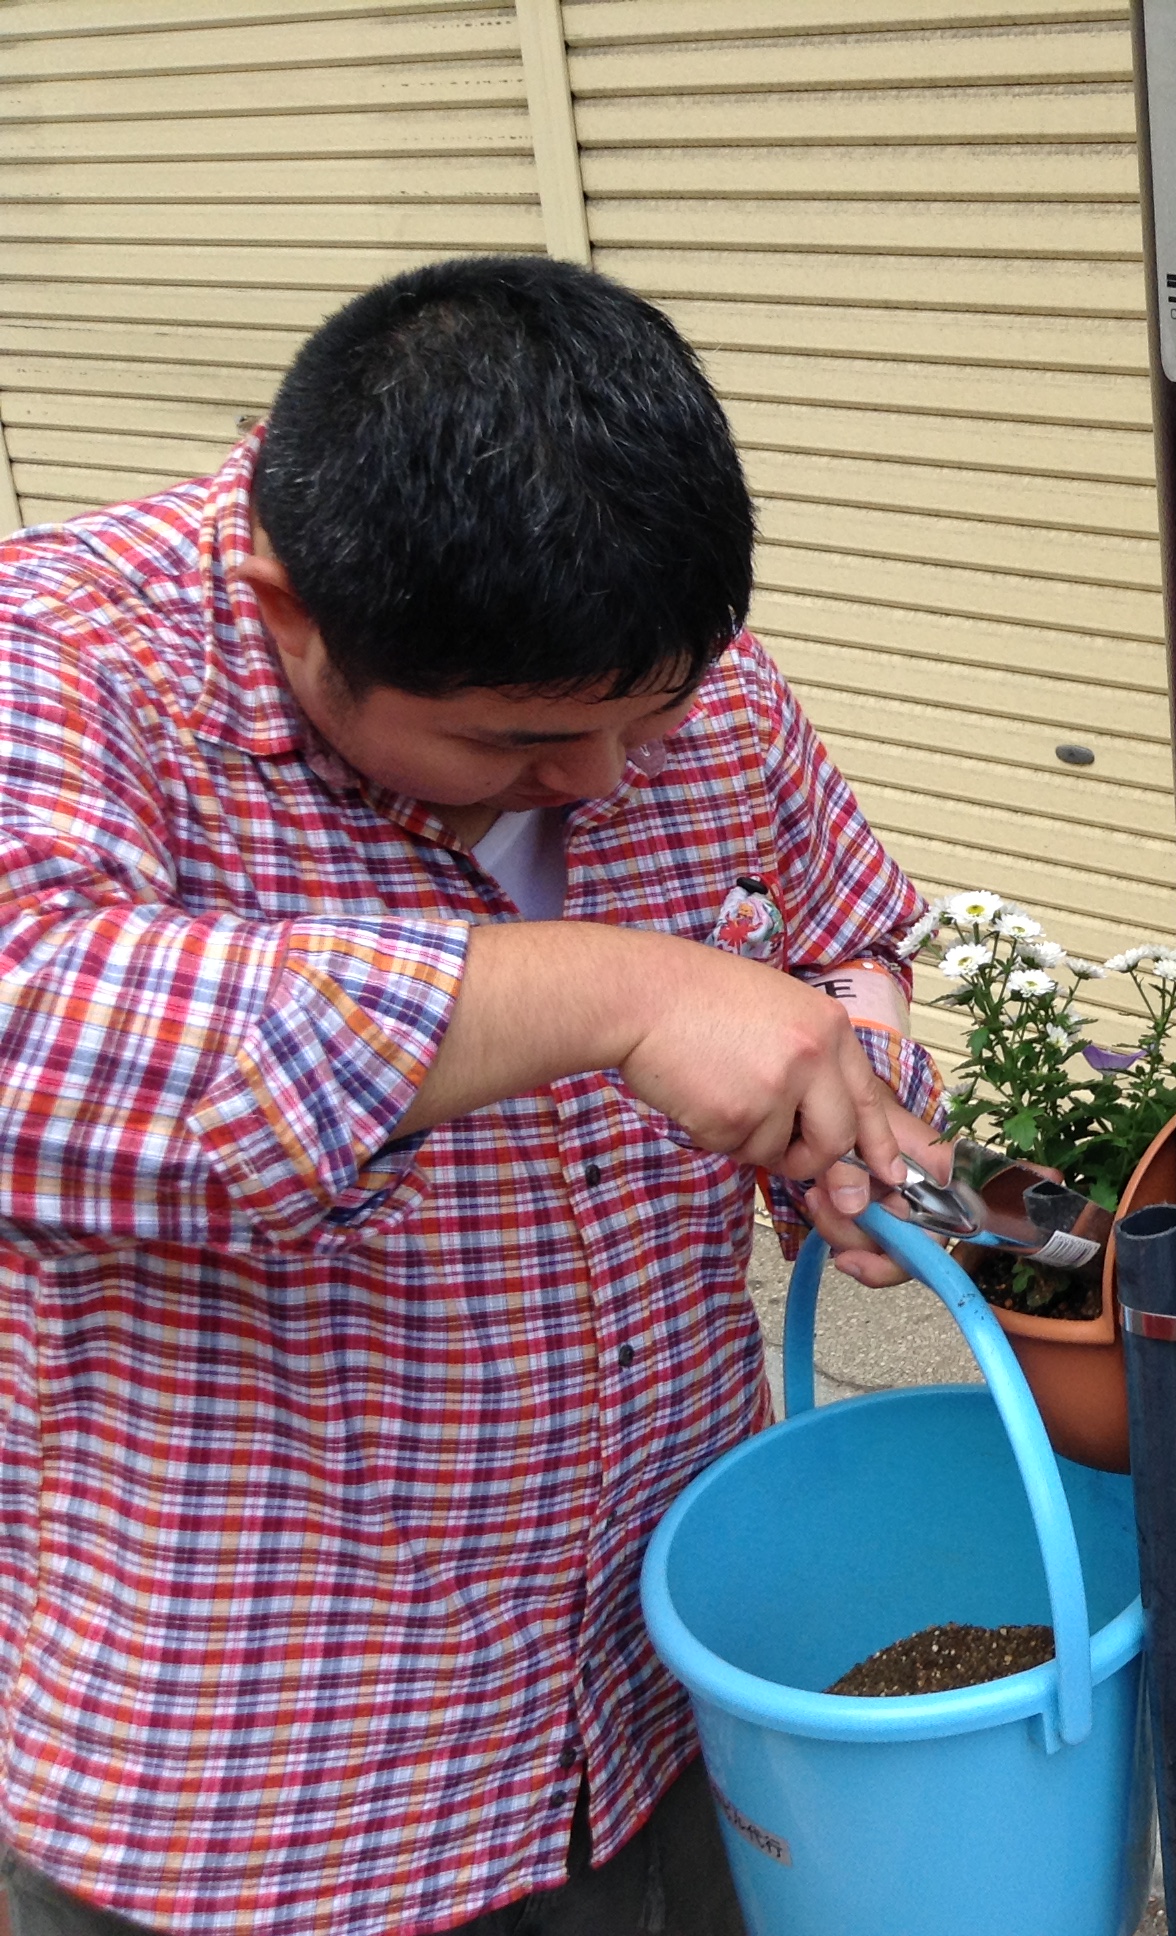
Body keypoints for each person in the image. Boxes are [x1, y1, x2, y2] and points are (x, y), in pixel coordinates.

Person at [0, 256, 946, 1934]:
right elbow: (34, 1032)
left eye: (650, 720)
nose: (598, 779)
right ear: (292, 610)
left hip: (659, 1688)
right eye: (513, 744)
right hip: (274, 1776)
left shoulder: (666, 672)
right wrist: (624, 989)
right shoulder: (64, 657)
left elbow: (838, 929)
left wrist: (849, 1068)